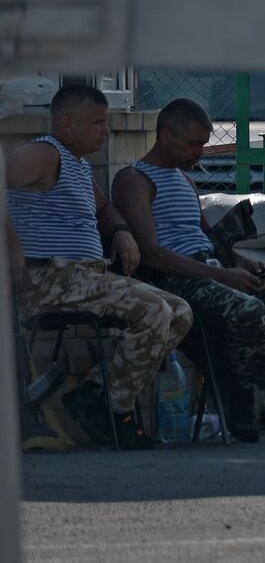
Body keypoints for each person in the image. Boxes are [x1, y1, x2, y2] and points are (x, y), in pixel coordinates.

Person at [111, 98, 265, 442]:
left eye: (203, 144)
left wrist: (245, 265)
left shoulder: (186, 183)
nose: (199, 153)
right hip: (178, 280)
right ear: (165, 135)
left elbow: (208, 241)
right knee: (250, 311)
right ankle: (240, 395)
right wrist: (222, 275)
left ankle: (237, 379)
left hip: (212, 271)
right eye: (192, 144)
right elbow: (151, 254)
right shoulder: (134, 179)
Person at [4, 83, 193, 448]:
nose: (107, 130)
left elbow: (104, 208)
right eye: (99, 122)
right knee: (154, 310)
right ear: (69, 123)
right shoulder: (44, 153)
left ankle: (95, 395)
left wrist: (121, 230)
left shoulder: (76, 165)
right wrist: (12, 249)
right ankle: (113, 408)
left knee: (180, 311)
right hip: (49, 278)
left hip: (85, 278)